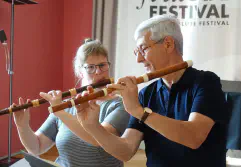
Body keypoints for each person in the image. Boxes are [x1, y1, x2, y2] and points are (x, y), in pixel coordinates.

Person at [76, 15, 229, 167]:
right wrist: (92, 126)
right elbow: (126, 151)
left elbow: (194, 137)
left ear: (168, 44)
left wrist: (139, 111)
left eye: (143, 49)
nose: (139, 60)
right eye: (137, 52)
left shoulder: (206, 82)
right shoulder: (147, 94)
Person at [13, 39, 130, 167]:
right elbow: (36, 147)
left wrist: (59, 111)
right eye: (90, 67)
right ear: (80, 72)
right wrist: (22, 126)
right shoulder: (65, 107)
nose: (98, 72)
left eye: (102, 65)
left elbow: (97, 139)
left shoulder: (119, 105)